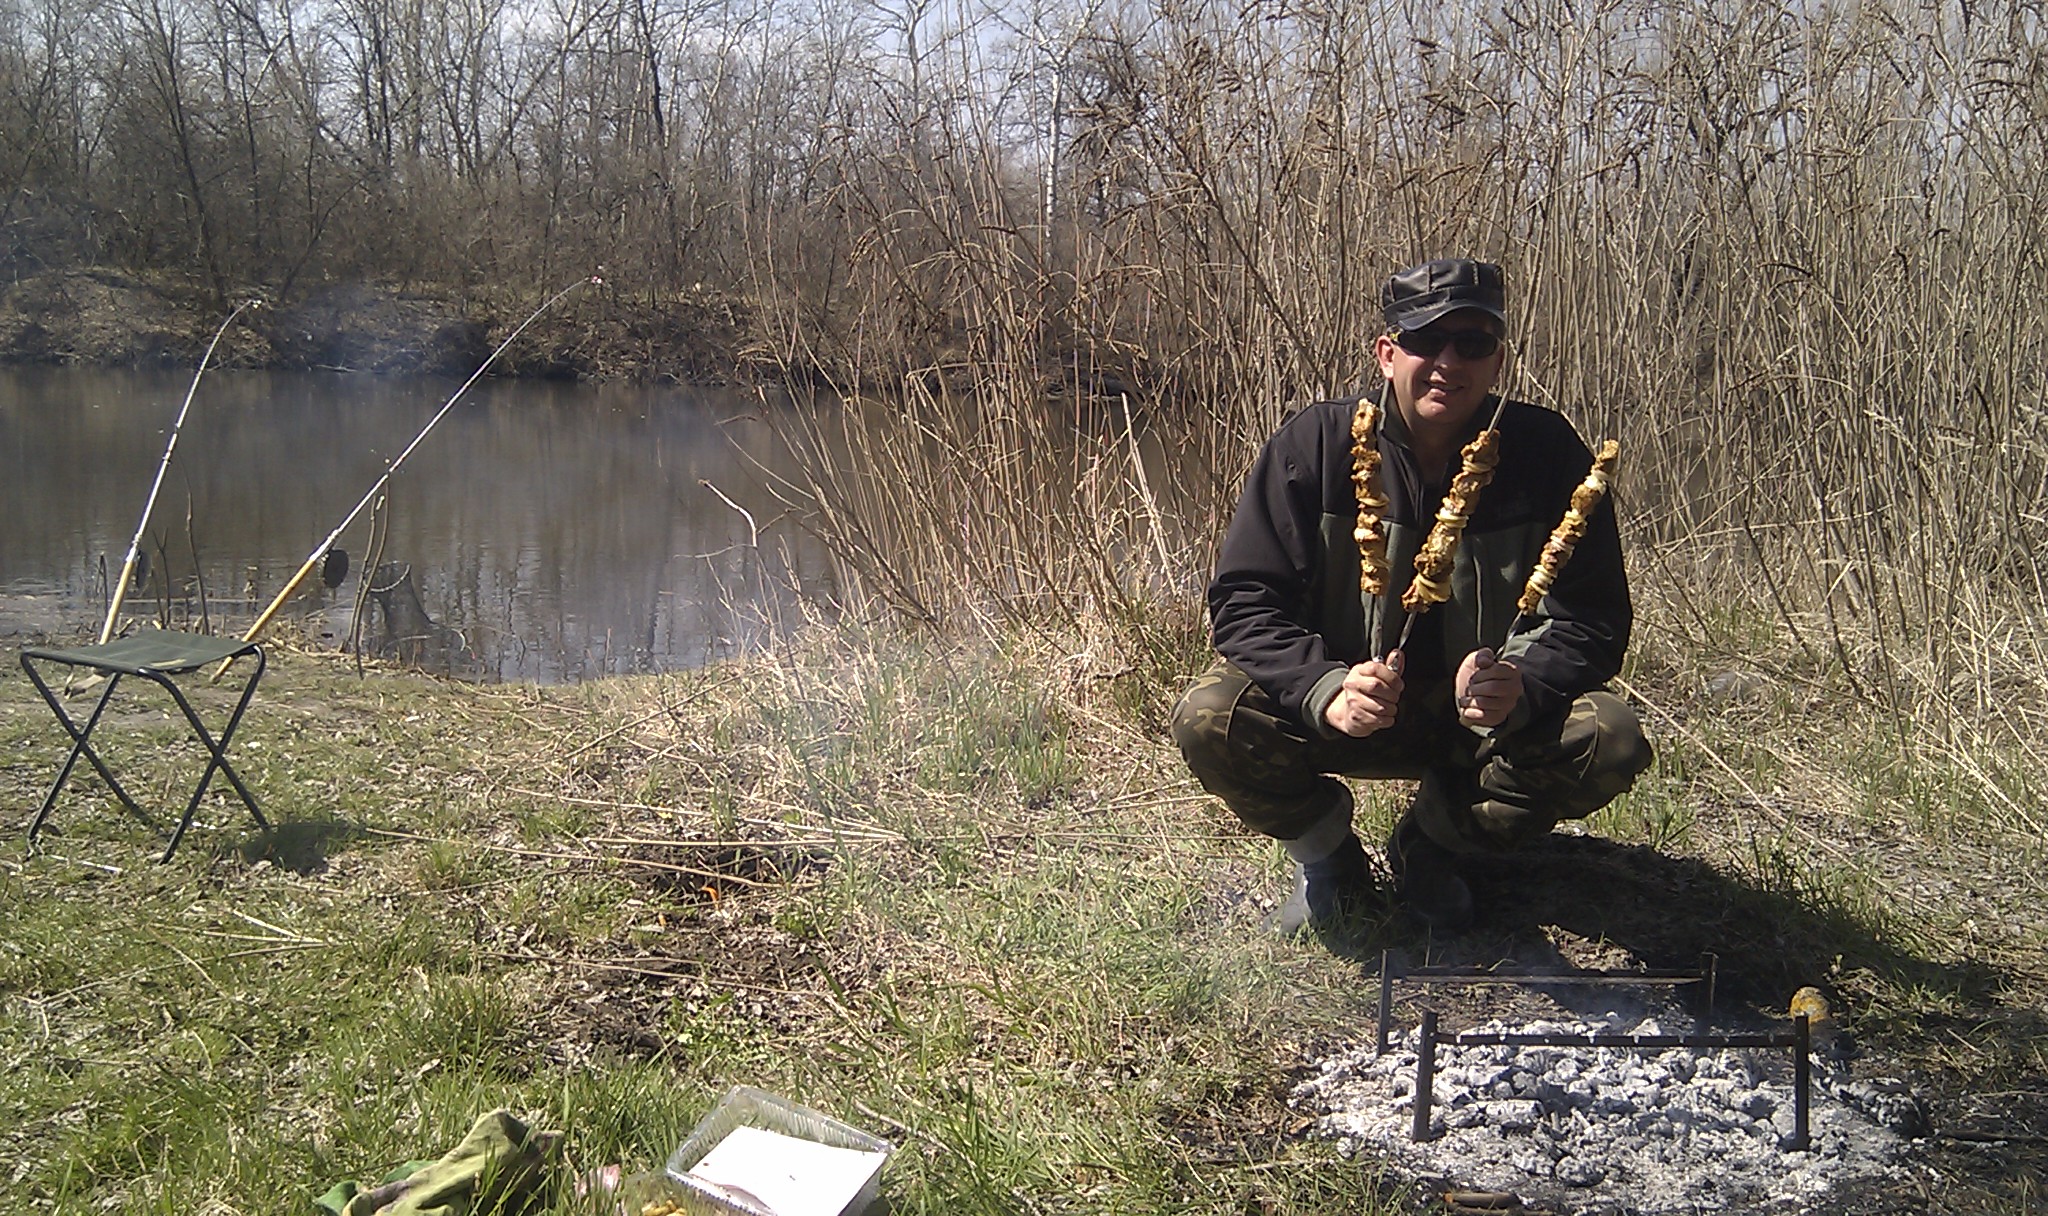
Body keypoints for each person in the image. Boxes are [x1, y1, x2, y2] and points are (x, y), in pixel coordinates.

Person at [1171, 258, 1653, 936]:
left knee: (1608, 737)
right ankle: (1327, 857)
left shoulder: (1548, 455)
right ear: (1387, 352)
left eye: (1473, 343)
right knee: (1210, 718)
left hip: (1478, 722)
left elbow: (1593, 618)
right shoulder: (1316, 445)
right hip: (1348, 708)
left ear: (1497, 361)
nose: (1447, 362)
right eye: (1426, 340)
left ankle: (1435, 845)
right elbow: (1245, 600)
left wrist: (1523, 683)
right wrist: (1324, 687)